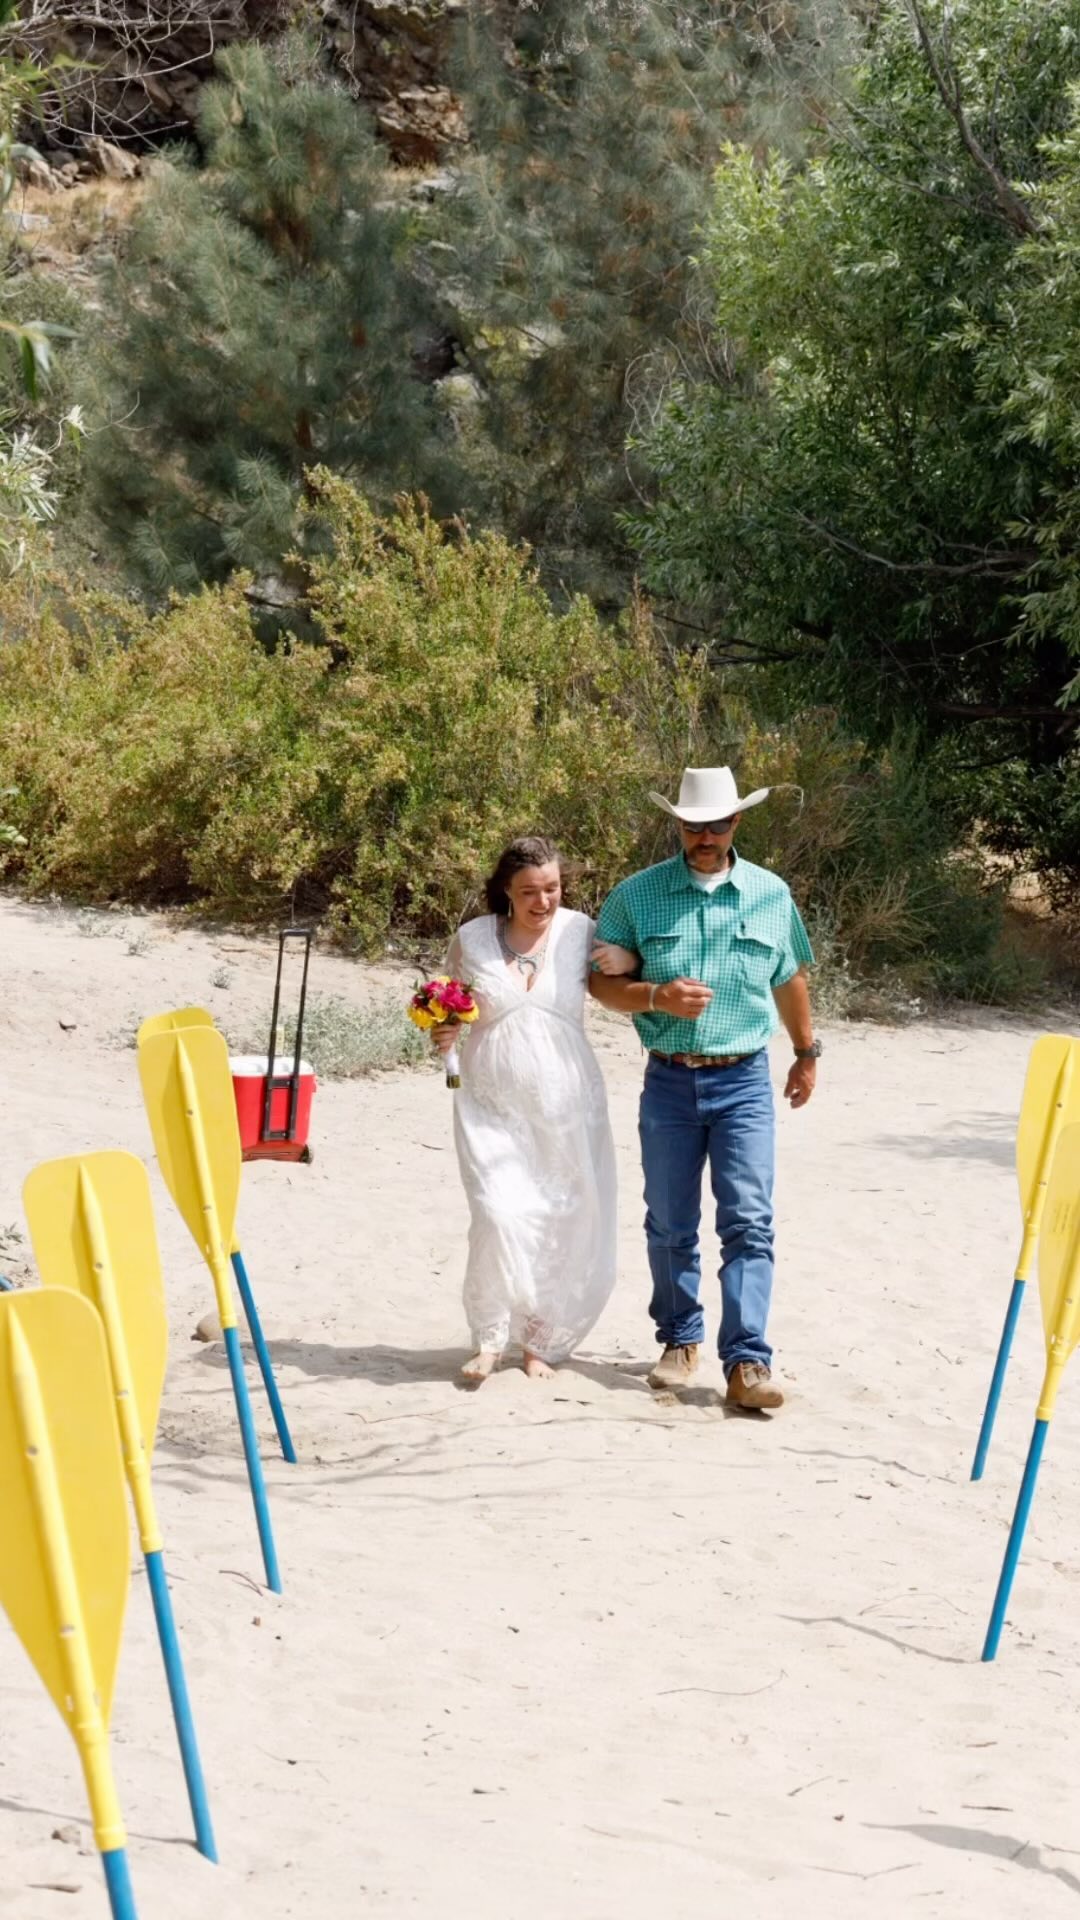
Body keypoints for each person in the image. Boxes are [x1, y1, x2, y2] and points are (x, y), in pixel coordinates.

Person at [588, 767, 818, 1411]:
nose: (705, 836)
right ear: (679, 826)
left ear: (738, 822)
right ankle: (680, 1341)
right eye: (693, 826)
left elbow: (789, 977)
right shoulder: (636, 896)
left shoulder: (772, 895)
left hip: (745, 1079)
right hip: (668, 1078)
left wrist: (805, 1053)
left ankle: (747, 1363)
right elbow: (599, 985)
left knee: (749, 1220)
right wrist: (655, 995)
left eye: (716, 824)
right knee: (669, 1221)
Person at [436, 835, 632, 1384]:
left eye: (552, 888)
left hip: (569, 1103)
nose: (543, 901)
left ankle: (538, 1342)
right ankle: (491, 1337)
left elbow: (622, 977)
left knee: (558, 1219)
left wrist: (629, 957)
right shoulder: (472, 938)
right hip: (490, 1103)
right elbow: (450, 1002)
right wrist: (445, 1027)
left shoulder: (581, 931)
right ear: (506, 891)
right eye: (529, 891)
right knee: (499, 1213)